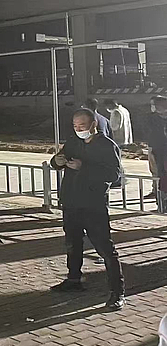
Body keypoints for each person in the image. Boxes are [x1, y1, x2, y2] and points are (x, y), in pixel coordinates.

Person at [49, 108, 125, 310]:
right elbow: (58, 159)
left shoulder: (106, 145)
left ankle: (117, 292)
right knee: (73, 243)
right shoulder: (73, 142)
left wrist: (84, 168)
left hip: (93, 204)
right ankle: (73, 279)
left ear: (94, 124)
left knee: (105, 248)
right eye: (75, 126)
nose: (79, 130)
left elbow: (114, 175)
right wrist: (56, 162)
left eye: (82, 126)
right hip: (71, 202)